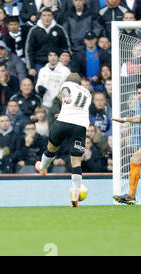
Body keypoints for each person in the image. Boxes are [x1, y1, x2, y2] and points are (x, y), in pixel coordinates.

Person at [35, 73, 92, 208]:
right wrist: (64, 111)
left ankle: (42, 168)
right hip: (80, 126)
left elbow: (66, 92)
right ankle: (75, 196)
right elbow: (79, 109)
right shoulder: (88, 94)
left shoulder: (67, 84)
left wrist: (66, 98)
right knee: (76, 162)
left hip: (63, 123)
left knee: (51, 147)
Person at [25, 7, 71, 78]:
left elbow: (66, 47)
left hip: (57, 62)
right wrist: (30, 67)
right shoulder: (34, 30)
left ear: (52, 16)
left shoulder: (60, 29)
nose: (47, 18)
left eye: (49, 15)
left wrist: (63, 60)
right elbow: (29, 50)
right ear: (40, 17)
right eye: (44, 15)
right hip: (39, 62)